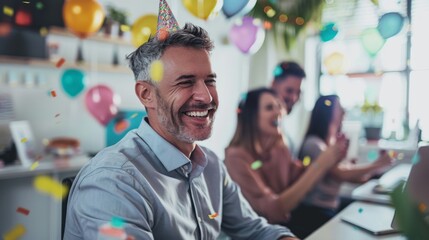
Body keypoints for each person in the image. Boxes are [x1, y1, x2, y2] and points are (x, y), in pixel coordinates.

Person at [63, 22, 298, 239]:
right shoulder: (114, 181)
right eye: (185, 82)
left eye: (210, 81)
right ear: (147, 94)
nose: (206, 97)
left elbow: (256, 230)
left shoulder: (212, 166)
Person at [224, 88, 348, 232]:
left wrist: (331, 160)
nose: (279, 112)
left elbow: (300, 174)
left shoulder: (279, 148)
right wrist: (320, 164)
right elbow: (273, 211)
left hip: (282, 227)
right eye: (270, 107)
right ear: (251, 116)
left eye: (278, 106)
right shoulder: (236, 157)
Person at [290, 94, 395, 238]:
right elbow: (340, 174)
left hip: (330, 206)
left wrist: (368, 174)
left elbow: (345, 174)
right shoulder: (313, 144)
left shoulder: (329, 144)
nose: (344, 112)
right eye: (339, 108)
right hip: (314, 211)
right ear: (327, 113)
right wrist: (377, 164)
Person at [270, 61, 306, 156]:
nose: (294, 98)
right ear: (273, 84)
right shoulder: (262, 128)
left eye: (298, 93)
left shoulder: (281, 126)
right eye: (289, 91)